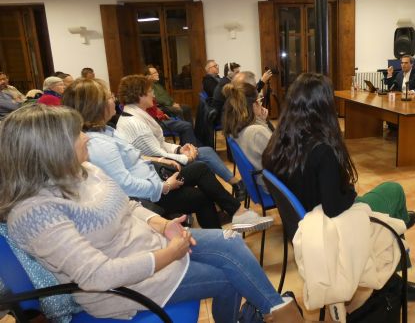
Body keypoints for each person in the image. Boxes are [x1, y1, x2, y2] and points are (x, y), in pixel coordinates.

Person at [0, 105, 313, 322]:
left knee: (231, 241)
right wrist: (171, 253)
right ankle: (283, 315)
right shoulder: (35, 212)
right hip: (121, 289)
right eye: (76, 133)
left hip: (152, 247)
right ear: (50, 148)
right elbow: (98, 276)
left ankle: (278, 312)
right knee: (228, 278)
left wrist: (163, 225)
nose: (86, 137)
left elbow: (130, 206)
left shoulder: (84, 170)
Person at [262, 73, 415, 301]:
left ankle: (399, 223)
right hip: (329, 223)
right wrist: (350, 192)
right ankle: (395, 280)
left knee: (390, 210)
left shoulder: (276, 143)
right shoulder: (322, 150)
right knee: (393, 190)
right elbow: (334, 207)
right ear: (323, 106)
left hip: (304, 221)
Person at [61, 77, 256, 230]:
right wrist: (164, 186)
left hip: (153, 176)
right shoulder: (100, 143)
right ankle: (231, 218)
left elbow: (140, 154)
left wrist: (166, 157)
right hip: (150, 193)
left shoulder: (106, 131)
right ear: (97, 106)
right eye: (109, 97)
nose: (114, 99)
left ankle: (234, 213)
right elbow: (125, 185)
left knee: (201, 170)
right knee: (201, 190)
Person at [115, 75, 256, 216]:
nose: (153, 94)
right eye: (150, 91)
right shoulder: (136, 123)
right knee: (203, 163)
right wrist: (185, 157)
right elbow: (157, 155)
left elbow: (159, 145)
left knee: (205, 152)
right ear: (139, 95)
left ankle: (233, 192)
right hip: (158, 171)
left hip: (158, 164)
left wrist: (179, 149)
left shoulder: (134, 115)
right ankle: (235, 193)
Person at [222, 81, 272, 191]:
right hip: (274, 185)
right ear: (254, 105)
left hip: (263, 180)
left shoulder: (237, 126)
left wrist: (262, 121)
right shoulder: (257, 132)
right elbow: (280, 158)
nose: (261, 104)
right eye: (259, 100)